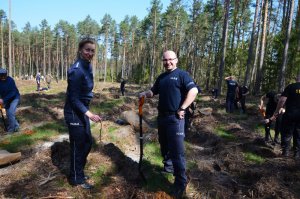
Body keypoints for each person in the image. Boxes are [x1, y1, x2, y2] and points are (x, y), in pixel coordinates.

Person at [139, 50, 198, 198]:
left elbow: (194, 90)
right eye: (165, 60)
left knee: (177, 151)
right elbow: (153, 91)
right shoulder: (162, 77)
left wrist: (183, 107)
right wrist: (145, 94)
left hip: (175, 118)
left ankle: (180, 183)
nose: (168, 62)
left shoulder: (182, 75)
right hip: (162, 118)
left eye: (171, 59)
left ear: (176, 60)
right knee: (164, 145)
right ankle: (168, 168)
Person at [64, 38, 102, 189]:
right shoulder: (76, 70)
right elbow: (73, 98)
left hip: (82, 110)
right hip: (74, 112)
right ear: (80, 50)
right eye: (87, 50)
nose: (90, 53)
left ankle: (79, 171)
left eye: (92, 50)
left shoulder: (87, 66)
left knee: (87, 143)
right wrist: (89, 114)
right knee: (78, 145)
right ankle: (76, 179)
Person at [270, 75, 300, 158]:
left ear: (297, 78)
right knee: (298, 133)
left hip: (290, 114)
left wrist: (276, 112)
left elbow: (282, 100)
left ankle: (285, 152)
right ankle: (297, 154)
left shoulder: (290, 87)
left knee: (287, 132)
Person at [0, 68, 20, 133]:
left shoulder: (10, 80)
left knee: (11, 112)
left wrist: (3, 100)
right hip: (6, 99)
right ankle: (16, 126)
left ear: (6, 74)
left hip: (14, 98)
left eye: (4, 75)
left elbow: (13, 92)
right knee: (8, 114)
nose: (3, 77)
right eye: (1, 75)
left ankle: (11, 130)